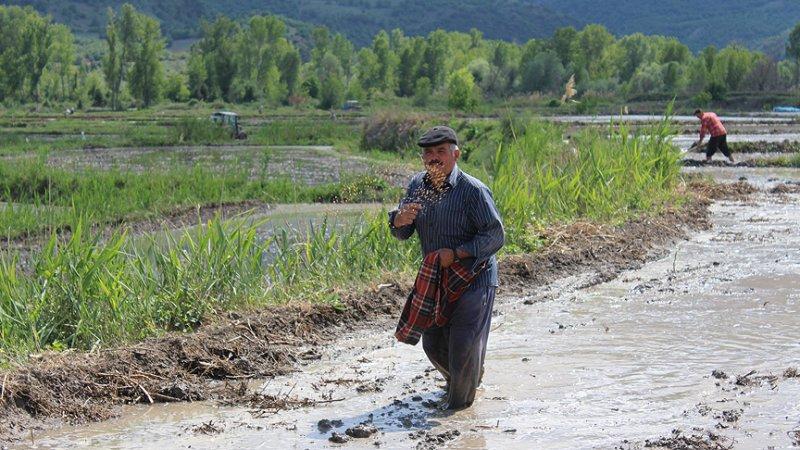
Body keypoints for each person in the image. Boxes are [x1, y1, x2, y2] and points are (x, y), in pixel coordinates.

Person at [389, 125, 505, 410]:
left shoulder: (472, 190)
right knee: (433, 345)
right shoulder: (418, 185)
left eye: (441, 151)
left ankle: (459, 416)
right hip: (438, 279)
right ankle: (466, 379)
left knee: (463, 346)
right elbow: (402, 232)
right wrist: (397, 221)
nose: (434, 158)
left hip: (475, 277)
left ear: (456, 154)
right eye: (429, 152)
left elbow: (495, 235)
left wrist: (457, 253)